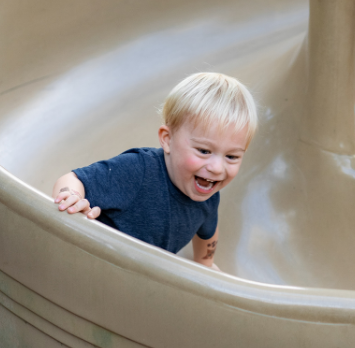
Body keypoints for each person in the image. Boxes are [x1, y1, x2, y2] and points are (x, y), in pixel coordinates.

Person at [51, 72, 257, 270]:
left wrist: (205, 265)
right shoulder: (138, 170)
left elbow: (207, 232)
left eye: (232, 156)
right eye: (204, 151)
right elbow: (72, 179)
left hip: (142, 277)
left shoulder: (209, 194)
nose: (217, 168)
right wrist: (71, 196)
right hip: (94, 264)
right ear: (167, 139)